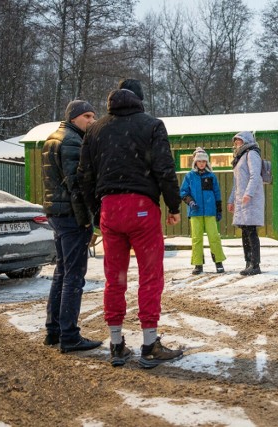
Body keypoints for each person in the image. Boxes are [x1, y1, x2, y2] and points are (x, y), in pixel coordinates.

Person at [78, 78, 183, 367]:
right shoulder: (151, 124)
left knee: (115, 278)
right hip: (141, 208)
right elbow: (164, 168)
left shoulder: (96, 129)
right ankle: (150, 345)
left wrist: (97, 210)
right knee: (150, 276)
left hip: (110, 209)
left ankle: (116, 344)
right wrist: (173, 205)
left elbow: (84, 174)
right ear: (140, 100)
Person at [41, 100, 102, 353]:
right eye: (87, 116)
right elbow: (77, 186)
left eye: (93, 116)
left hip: (57, 214)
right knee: (73, 277)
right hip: (71, 216)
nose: (91, 120)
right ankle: (69, 335)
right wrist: (88, 220)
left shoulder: (53, 138)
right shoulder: (72, 142)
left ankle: (54, 331)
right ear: (75, 117)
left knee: (62, 273)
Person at [180, 147, 226, 275]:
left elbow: (217, 193)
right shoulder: (189, 176)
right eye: (199, 161)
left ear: (207, 163)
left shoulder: (211, 176)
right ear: (195, 162)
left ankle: (219, 263)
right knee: (196, 238)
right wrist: (190, 201)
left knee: (214, 237)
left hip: (210, 212)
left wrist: (219, 210)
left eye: (204, 161)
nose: (202, 163)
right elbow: (183, 192)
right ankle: (198, 264)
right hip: (195, 212)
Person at [227, 131, 265, 276]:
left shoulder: (251, 154)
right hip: (241, 200)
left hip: (250, 199)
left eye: (239, 141)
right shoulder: (239, 157)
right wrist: (231, 200)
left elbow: (255, 176)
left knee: (251, 231)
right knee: (245, 231)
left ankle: (255, 264)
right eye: (235, 141)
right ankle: (248, 262)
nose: (236, 143)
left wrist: (248, 193)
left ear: (246, 141)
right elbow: (236, 183)